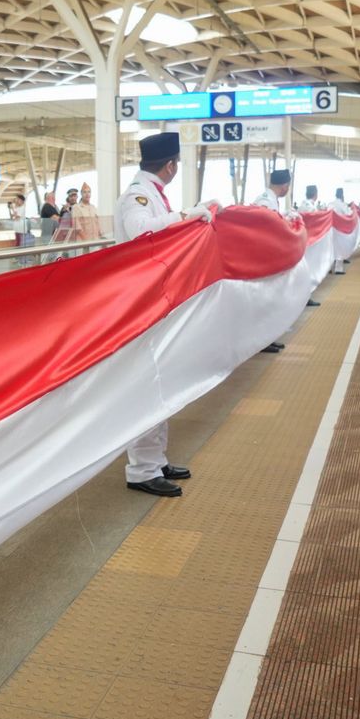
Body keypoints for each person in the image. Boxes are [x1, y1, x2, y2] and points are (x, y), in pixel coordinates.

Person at [113, 132, 217, 497]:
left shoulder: (153, 192)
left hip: (154, 301)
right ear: (170, 165)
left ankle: (154, 459)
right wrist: (186, 215)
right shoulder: (136, 195)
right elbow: (139, 230)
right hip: (138, 304)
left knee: (161, 381)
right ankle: (141, 469)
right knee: (147, 383)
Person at [250, 169, 294, 348]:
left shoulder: (269, 200)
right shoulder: (265, 202)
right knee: (264, 301)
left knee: (269, 300)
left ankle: (267, 339)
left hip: (266, 257)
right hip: (262, 259)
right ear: (284, 186)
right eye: (288, 186)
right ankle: (262, 342)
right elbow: (263, 229)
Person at [329, 188, 350, 275]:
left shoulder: (330, 204)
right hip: (340, 229)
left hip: (330, 229)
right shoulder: (343, 205)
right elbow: (348, 214)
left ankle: (329, 268)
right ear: (342, 195)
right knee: (340, 248)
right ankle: (338, 269)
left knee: (331, 248)